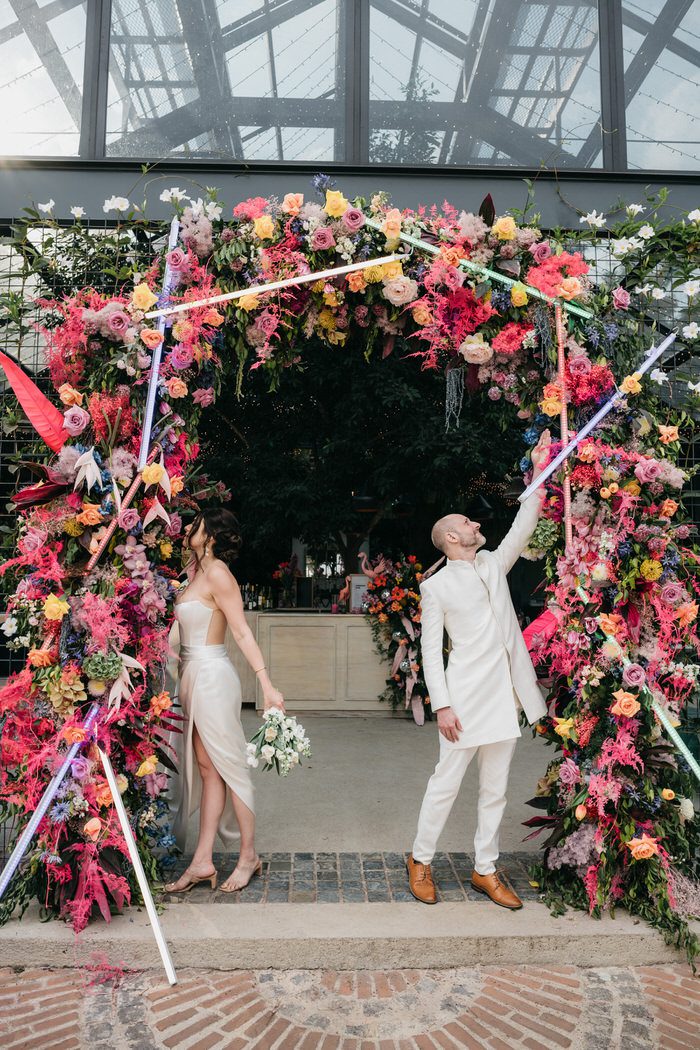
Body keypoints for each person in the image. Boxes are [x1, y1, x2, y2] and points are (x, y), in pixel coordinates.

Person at [407, 431, 551, 910]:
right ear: (452, 537)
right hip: (463, 701)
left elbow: (522, 527)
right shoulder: (437, 588)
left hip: (505, 696)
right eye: (467, 522)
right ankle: (420, 860)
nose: (475, 523)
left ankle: (484, 869)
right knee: (445, 783)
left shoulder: (492, 564)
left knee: (496, 790)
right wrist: (442, 704)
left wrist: (537, 469)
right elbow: (430, 652)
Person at [165, 507, 285, 894]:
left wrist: (267, 686)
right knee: (206, 768)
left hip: (214, 677)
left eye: (195, 524)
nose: (188, 528)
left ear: (212, 535)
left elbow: (242, 633)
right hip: (191, 676)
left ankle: (248, 854)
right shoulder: (194, 573)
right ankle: (202, 861)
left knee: (230, 767)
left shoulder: (218, 575)